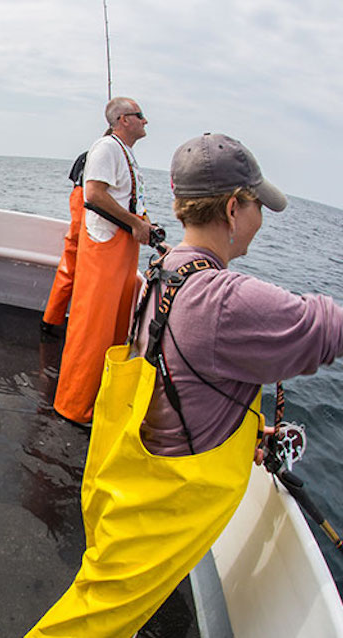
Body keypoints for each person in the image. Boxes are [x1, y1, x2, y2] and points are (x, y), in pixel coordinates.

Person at [26, 133, 343, 636]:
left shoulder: (165, 270)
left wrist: (245, 437)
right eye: (258, 205)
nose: (261, 220)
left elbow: (177, 383)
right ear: (235, 208)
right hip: (157, 514)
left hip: (121, 489)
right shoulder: (225, 299)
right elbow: (326, 327)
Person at [53, 97, 157, 424]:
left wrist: (144, 226)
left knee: (113, 329)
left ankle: (95, 400)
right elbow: (93, 195)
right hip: (106, 247)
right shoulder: (106, 148)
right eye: (140, 116)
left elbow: (126, 197)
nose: (146, 121)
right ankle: (73, 405)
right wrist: (135, 223)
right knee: (92, 329)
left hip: (124, 247)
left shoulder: (126, 153)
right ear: (123, 119)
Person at [40, 151, 87, 338]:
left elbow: (74, 185)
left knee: (68, 270)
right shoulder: (108, 157)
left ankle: (50, 320)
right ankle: (77, 330)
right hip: (90, 215)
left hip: (79, 207)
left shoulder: (85, 157)